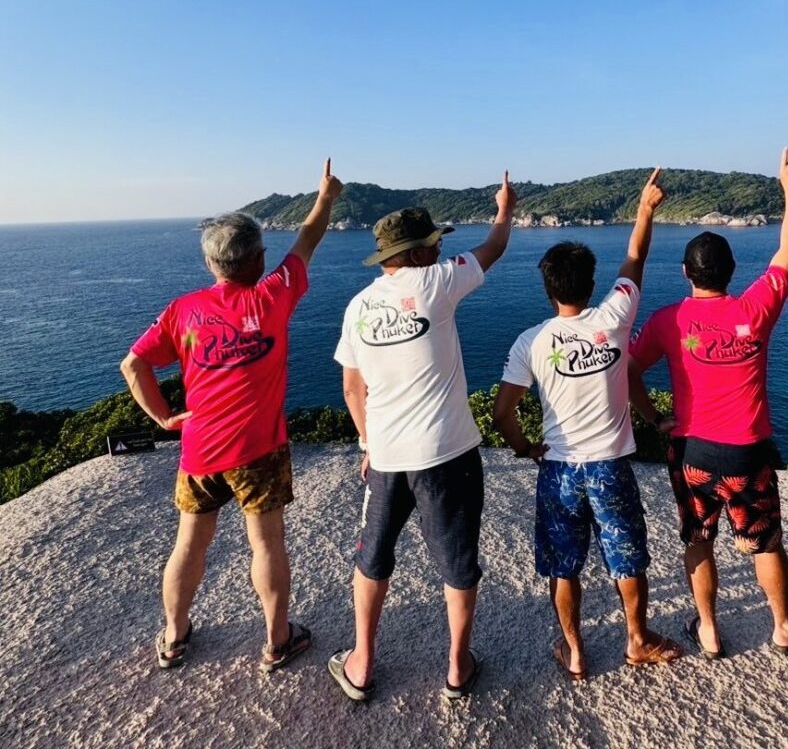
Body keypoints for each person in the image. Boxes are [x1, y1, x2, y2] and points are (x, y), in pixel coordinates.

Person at [121, 159, 344, 672]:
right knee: (265, 543)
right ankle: (276, 639)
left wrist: (162, 418)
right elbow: (307, 240)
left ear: (211, 264)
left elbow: (133, 364)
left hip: (198, 449)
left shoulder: (182, 310)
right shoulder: (273, 294)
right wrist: (325, 197)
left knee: (189, 545)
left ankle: (175, 636)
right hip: (258, 450)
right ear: (259, 260)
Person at [329, 172, 517, 702]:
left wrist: (367, 443)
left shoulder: (358, 307)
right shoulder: (438, 280)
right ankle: (458, 667)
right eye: (435, 242)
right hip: (447, 452)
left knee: (373, 557)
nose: (440, 247)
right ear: (416, 252)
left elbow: (351, 387)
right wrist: (504, 206)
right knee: (457, 563)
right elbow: (496, 244)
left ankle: (361, 663)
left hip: (386, 457)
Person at [628, 148, 788, 659]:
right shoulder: (755, 309)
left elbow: (627, 367)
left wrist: (652, 418)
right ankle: (783, 628)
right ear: (733, 271)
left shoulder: (668, 321)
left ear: (685, 272)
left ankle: (709, 631)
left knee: (698, 539)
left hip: (691, 453)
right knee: (765, 542)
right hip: (748, 455)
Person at [493, 169, 682, 681]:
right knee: (626, 556)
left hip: (559, 469)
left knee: (563, 563)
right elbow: (635, 260)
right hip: (610, 466)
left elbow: (502, 412)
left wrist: (525, 447)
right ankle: (637, 640)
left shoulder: (530, 341)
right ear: (593, 284)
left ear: (547, 289)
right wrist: (645, 209)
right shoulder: (614, 317)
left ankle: (575, 651)